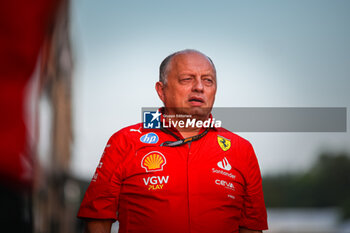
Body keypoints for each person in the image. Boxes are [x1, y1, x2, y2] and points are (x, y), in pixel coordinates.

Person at [77, 49, 268, 233]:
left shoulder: (241, 149)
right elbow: (97, 219)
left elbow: (251, 227)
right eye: (187, 79)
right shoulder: (125, 141)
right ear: (162, 91)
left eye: (208, 80)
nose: (199, 87)